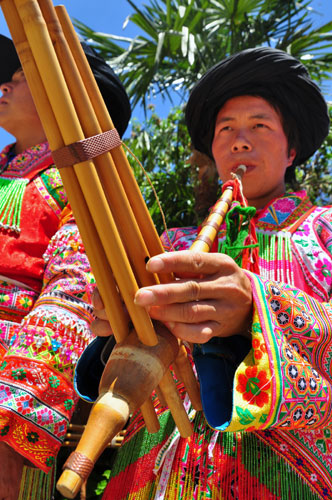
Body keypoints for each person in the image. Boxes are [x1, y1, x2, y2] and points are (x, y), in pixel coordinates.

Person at [76, 47, 332, 500]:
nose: (239, 140)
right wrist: (116, 320)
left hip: (288, 473)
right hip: (152, 470)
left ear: (292, 150)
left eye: (260, 125)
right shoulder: (170, 246)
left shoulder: (324, 228)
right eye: (226, 129)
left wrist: (259, 308)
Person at [0, 34, 130, 500]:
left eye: (21, 77)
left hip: (11, 385)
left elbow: (71, 295)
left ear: (63, 99)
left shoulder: (82, 186)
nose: (5, 85)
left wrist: (13, 420)